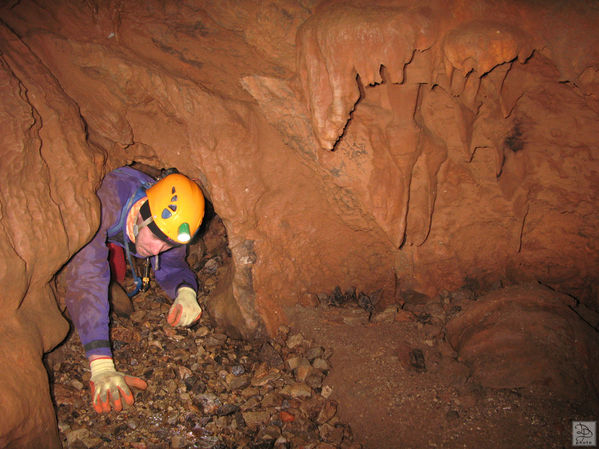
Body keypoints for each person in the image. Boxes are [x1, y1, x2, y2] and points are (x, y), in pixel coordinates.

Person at [63, 165, 205, 413]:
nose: (158, 249)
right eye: (157, 238)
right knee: (106, 272)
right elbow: (87, 277)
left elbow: (172, 267)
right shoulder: (106, 200)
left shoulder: (169, 226)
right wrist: (101, 365)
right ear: (142, 213)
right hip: (103, 222)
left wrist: (185, 292)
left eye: (167, 244)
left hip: (125, 231)